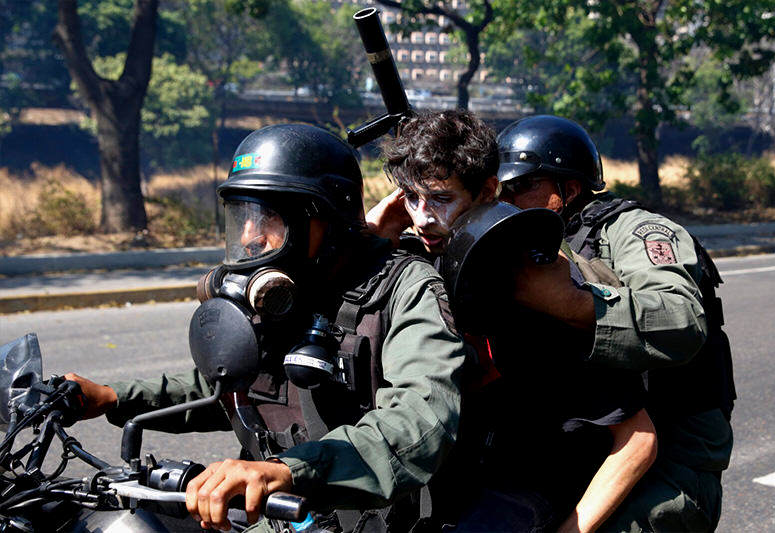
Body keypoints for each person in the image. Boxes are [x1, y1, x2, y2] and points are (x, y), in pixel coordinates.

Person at [66, 123, 467, 533]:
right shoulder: (290, 290)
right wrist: (113, 399)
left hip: (372, 520)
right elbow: (234, 385)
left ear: (327, 217)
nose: (249, 237)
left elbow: (419, 421)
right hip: (278, 518)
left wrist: (288, 472)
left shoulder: (406, 288)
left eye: (269, 216)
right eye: (243, 215)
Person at [369, 110, 657, 532]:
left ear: (488, 190)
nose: (422, 217)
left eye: (441, 199)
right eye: (411, 198)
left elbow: (637, 439)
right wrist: (374, 234)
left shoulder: (531, 277)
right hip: (444, 478)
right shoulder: (413, 263)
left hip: (527, 485)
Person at [496, 115, 736, 532]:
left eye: (521, 186)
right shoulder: (529, 242)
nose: (507, 198)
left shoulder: (637, 232)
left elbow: (681, 318)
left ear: (567, 190)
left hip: (671, 458)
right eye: (501, 188)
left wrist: (575, 303)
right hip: (586, 448)